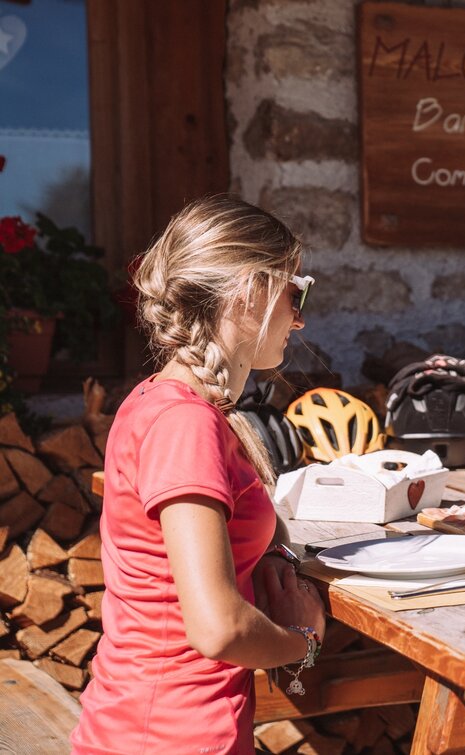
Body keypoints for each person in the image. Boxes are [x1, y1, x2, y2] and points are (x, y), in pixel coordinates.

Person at [72, 196, 327, 754]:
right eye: (296, 291)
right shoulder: (185, 423)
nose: (301, 315)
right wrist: (303, 640)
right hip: (168, 736)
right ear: (248, 291)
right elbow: (218, 628)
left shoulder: (166, 404)